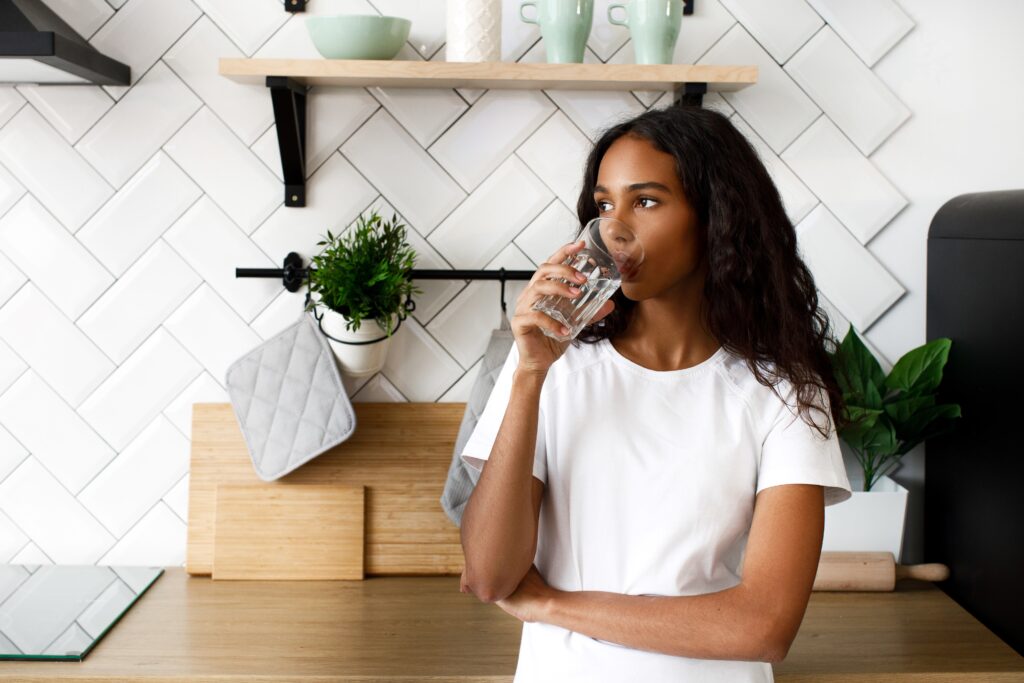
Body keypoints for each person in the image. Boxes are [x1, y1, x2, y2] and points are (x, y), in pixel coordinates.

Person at [458, 105, 853, 682]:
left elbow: (764, 627)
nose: (614, 227)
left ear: (715, 217)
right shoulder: (552, 372)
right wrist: (527, 376)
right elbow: (490, 575)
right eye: (603, 204)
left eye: (645, 201)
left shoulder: (786, 394)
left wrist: (550, 605)